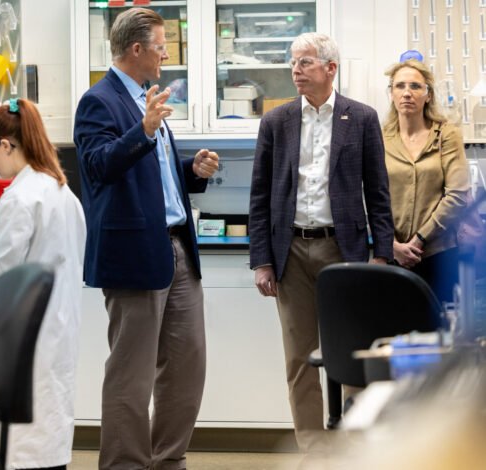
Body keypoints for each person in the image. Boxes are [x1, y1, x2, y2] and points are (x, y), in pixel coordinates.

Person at [73, 8, 219, 470]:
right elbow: (97, 167)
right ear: (137, 49)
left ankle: (167, 459)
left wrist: (189, 171)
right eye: (161, 46)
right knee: (131, 375)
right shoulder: (100, 101)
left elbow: (149, 175)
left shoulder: (146, 99)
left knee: (186, 367)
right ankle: (124, 465)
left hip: (177, 249)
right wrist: (145, 129)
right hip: (133, 255)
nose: (165, 55)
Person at [248, 32, 394, 453]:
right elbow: (259, 195)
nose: (296, 70)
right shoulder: (276, 121)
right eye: (293, 63)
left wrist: (380, 254)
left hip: (343, 250)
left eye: (305, 62)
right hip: (290, 252)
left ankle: (352, 449)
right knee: (298, 359)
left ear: (331, 68)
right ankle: (313, 452)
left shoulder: (361, 117)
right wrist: (261, 260)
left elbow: (378, 191)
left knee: (350, 354)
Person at [0, 98, 86, 470]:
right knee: (49, 430)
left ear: (6, 145)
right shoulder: (61, 192)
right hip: (58, 327)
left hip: (27, 336)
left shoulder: (20, 198)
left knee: (23, 444)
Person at [383, 58, 469, 303]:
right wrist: (391, 245)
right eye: (400, 86)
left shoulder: (446, 135)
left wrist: (419, 240)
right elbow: (367, 196)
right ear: (391, 93)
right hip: (392, 255)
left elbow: (457, 194)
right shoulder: (379, 138)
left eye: (415, 86)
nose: (407, 93)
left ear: (428, 95)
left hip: (439, 254)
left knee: (441, 332)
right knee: (394, 332)